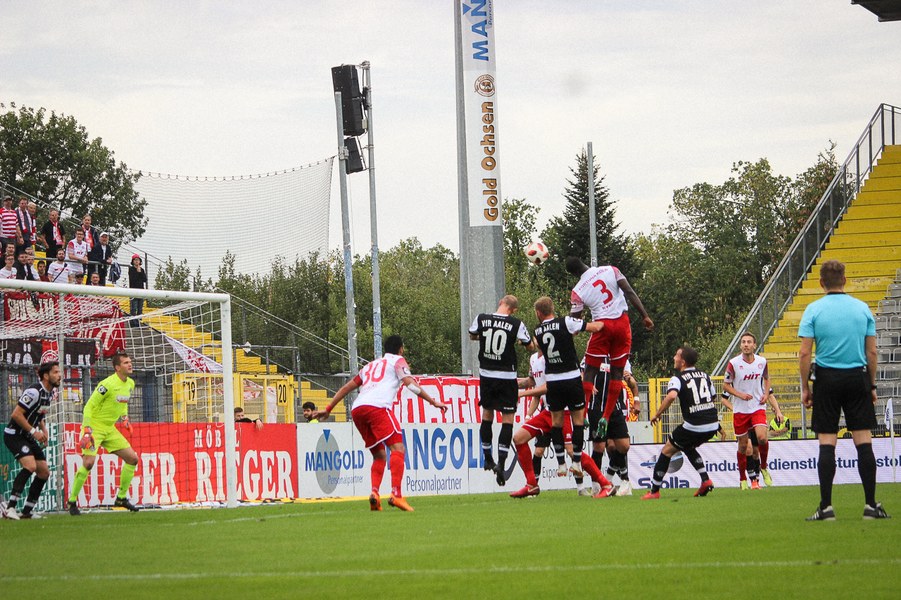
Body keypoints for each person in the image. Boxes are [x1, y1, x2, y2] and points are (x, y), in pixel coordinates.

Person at [312, 335, 447, 511]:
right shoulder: (398, 361)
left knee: (379, 455)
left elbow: (347, 388)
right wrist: (433, 401)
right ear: (401, 349)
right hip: (377, 407)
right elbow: (411, 385)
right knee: (398, 449)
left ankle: (374, 494)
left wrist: (329, 408)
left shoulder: (370, 366)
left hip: (358, 410)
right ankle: (397, 494)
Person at [799, 259, 889, 520]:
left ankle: (826, 507)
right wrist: (871, 385)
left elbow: (804, 353)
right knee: (863, 441)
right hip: (857, 378)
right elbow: (872, 352)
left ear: (821, 282)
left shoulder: (813, 310)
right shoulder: (862, 308)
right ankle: (870, 505)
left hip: (826, 379)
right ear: (845, 280)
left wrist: (805, 388)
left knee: (827, 441)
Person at [565, 256, 654, 440]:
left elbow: (575, 320)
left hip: (602, 327)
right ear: (584, 263)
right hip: (622, 324)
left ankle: (583, 412)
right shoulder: (611, 270)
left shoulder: (577, 290)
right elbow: (629, 292)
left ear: (574, 274)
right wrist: (645, 316)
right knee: (617, 374)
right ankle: (606, 417)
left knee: (589, 372)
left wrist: (572, 332)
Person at [469, 295, 535, 486]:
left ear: (500, 303)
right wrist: (520, 342)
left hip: (486, 374)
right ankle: (502, 463)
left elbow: (473, 335)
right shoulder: (516, 324)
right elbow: (530, 346)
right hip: (506, 376)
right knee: (507, 419)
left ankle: (487, 457)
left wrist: (484, 337)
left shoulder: (482, 318)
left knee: (487, 414)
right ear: (514, 310)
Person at [643, 346, 724, 500]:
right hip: (712, 424)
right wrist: (717, 424)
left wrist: (657, 414)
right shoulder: (705, 376)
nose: (674, 357)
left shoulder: (677, 379)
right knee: (687, 446)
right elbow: (712, 398)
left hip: (695, 425)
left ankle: (654, 491)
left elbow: (671, 396)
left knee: (667, 451)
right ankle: (705, 480)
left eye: (676, 355)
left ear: (683, 362)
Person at [67, 352, 141, 515]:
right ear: (117, 368)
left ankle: (121, 498)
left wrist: (125, 419)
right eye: (126, 362)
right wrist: (87, 429)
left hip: (109, 429)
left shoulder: (130, 383)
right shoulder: (106, 384)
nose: (130, 364)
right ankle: (72, 501)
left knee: (132, 459)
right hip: (94, 427)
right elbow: (89, 406)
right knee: (88, 463)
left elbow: (123, 402)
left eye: (130, 361)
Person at [722, 332, 782, 490]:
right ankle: (743, 479)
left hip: (757, 407)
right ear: (740, 345)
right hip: (740, 410)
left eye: (749, 342)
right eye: (743, 342)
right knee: (743, 447)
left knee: (762, 438)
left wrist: (765, 394)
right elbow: (725, 385)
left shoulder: (762, 361)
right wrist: (740, 395)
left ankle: (763, 467)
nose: (746, 344)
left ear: (754, 345)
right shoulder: (733, 363)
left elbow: (767, 378)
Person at [2, 361, 61, 520]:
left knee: (44, 472)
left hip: (27, 436)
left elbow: (39, 414)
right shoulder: (34, 392)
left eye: (59, 372)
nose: (59, 375)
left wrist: (44, 431)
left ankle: (27, 512)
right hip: (14, 434)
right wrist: (34, 432)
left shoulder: (49, 393)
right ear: (46, 376)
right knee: (30, 466)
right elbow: (16, 414)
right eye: (56, 372)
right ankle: (10, 508)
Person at [598, 359, 638, 496]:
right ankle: (623, 481)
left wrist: (636, 400)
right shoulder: (593, 355)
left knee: (622, 445)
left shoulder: (622, 358)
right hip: (598, 407)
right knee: (610, 447)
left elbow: (630, 380)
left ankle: (611, 480)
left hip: (617, 406)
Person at [128, 254, 147, 325]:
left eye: (138, 260)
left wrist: (140, 272)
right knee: (133, 308)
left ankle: (139, 322)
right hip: (133, 291)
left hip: (141, 291)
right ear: (133, 261)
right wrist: (138, 272)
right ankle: (133, 323)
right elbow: (133, 279)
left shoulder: (142, 270)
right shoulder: (131, 269)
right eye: (135, 260)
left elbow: (145, 279)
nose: (136, 261)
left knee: (140, 308)